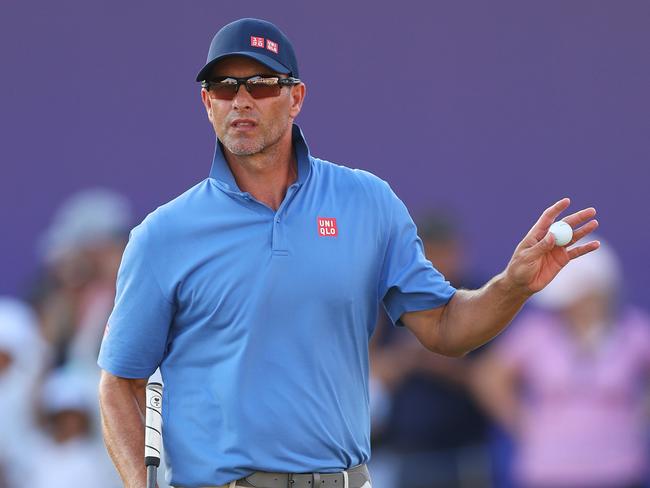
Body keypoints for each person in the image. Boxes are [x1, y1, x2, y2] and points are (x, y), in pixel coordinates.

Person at [97, 17, 599, 488]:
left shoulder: (367, 202)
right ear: (207, 103)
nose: (241, 100)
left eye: (262, 84)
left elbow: (446, 329)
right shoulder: (163, 235)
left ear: (296, 98)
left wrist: (511, 287)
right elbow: (120, 383)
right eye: (225, 88)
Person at [472, 238, 650, 488]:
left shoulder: (634, 331)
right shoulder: (536, 332)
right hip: (548, 471)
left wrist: (639, 417)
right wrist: (523, 423)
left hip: (620, 469)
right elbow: (489, 376)